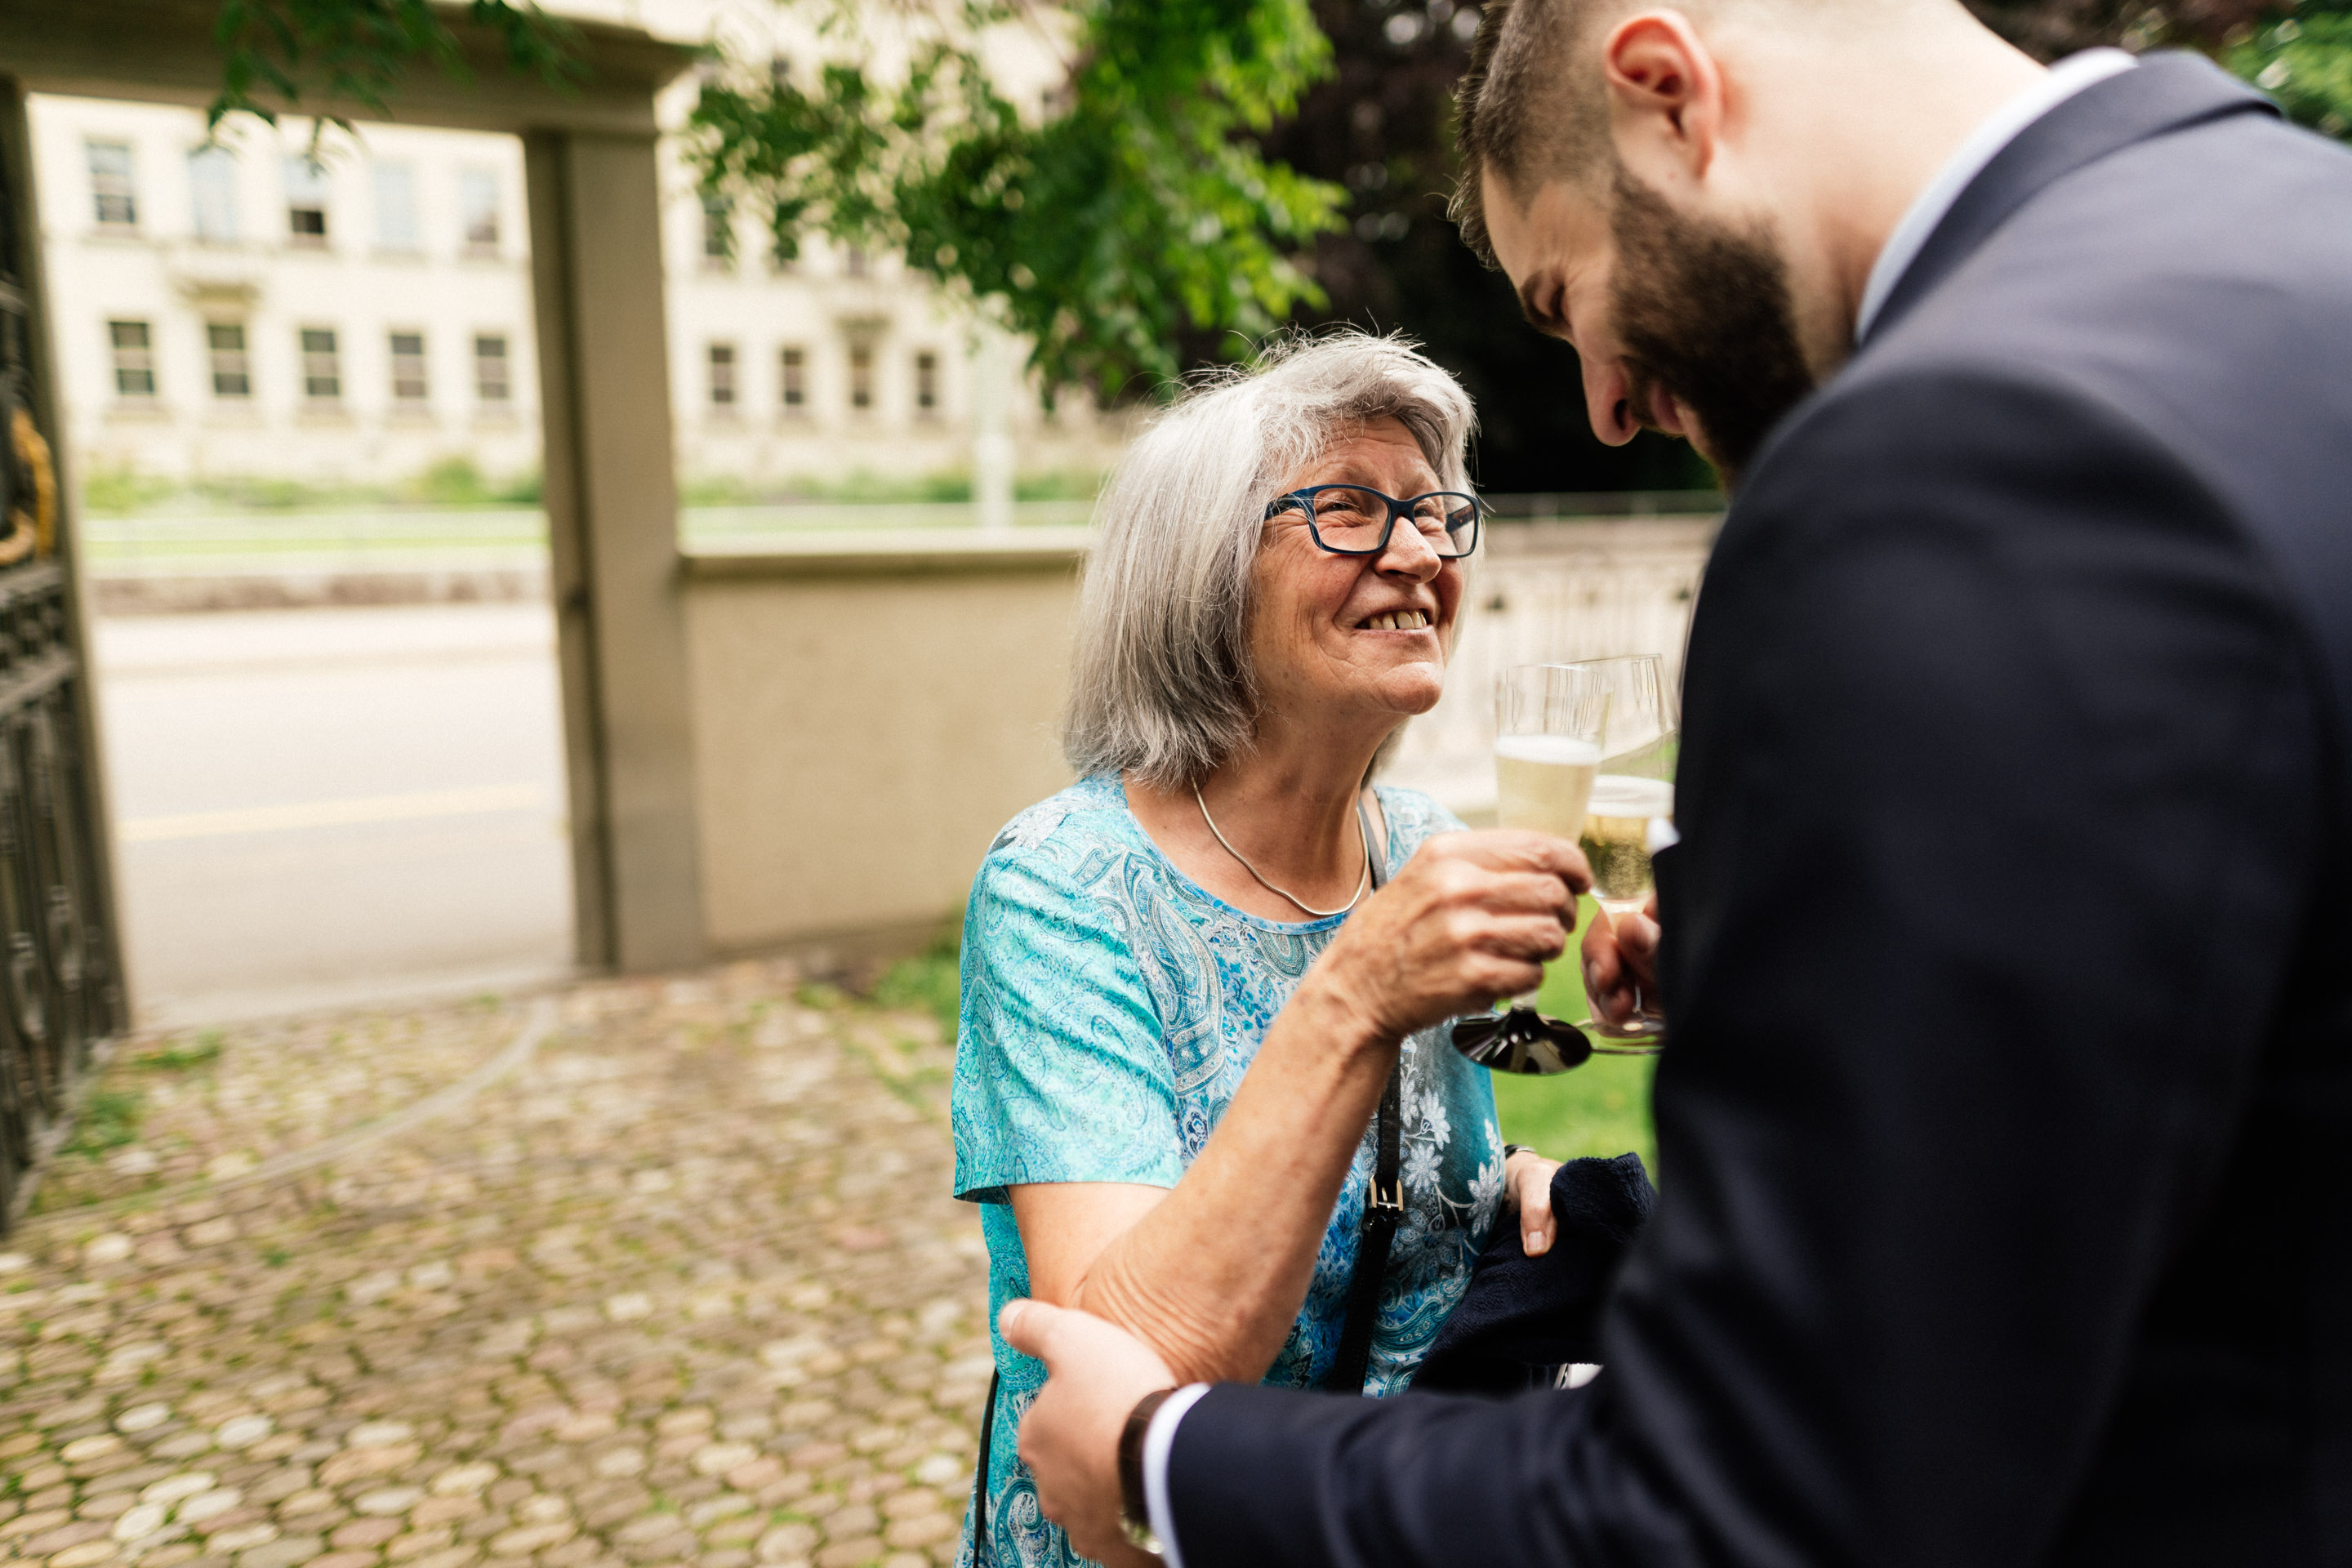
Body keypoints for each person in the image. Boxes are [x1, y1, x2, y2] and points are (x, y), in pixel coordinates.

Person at [999, 2, 2352, 1565]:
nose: (1601, 402)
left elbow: (1758, 1488)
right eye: (1351, 514)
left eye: (1565, 295)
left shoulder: (1952, 456)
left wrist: (1173, 1470)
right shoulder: (2299, 225)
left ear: (1668, 91)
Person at [950, 332, 1599, 1568]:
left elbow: (1391, 1181)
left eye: (1433, 514)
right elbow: (1133, 1377)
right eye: (1348, 513)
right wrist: (1357, 991)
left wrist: (1506, 1180)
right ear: (1202, 575)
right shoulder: (1063, 888)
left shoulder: (1418, 842)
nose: (1416, 554)